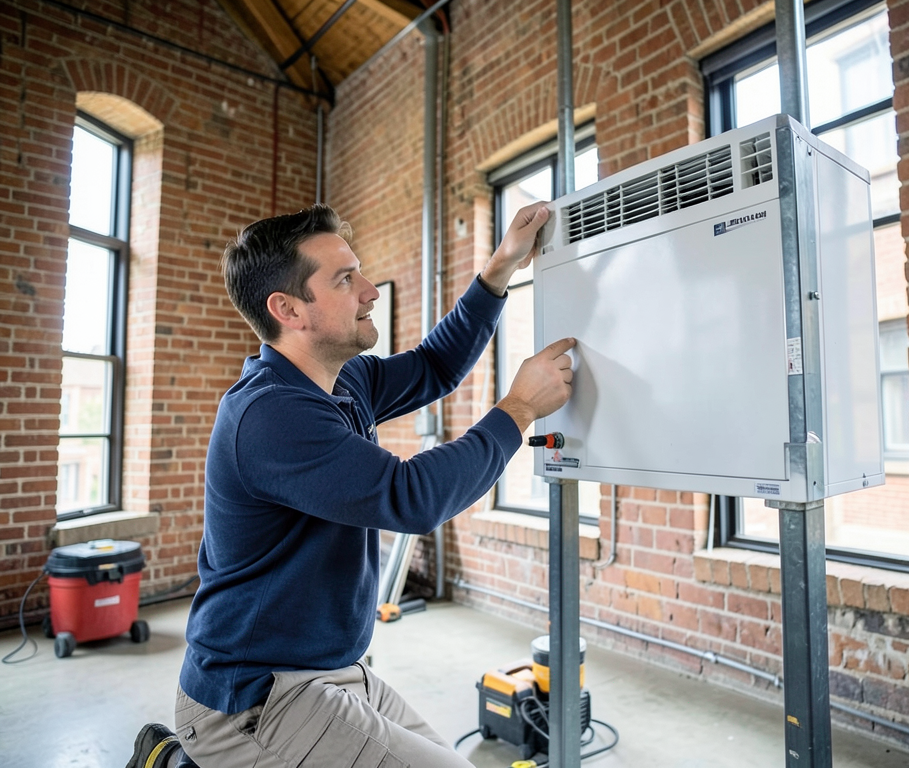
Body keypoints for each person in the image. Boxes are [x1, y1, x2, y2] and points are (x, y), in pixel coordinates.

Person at [127, 201, 574, 768]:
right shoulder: (269, 415)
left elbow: (435, 367)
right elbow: (410, 498)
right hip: (256, 699)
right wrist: (519, 409)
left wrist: (500, 270)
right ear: (288, 309)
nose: (370, 290)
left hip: (334, 672)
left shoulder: (342, 380)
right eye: (345, 279)